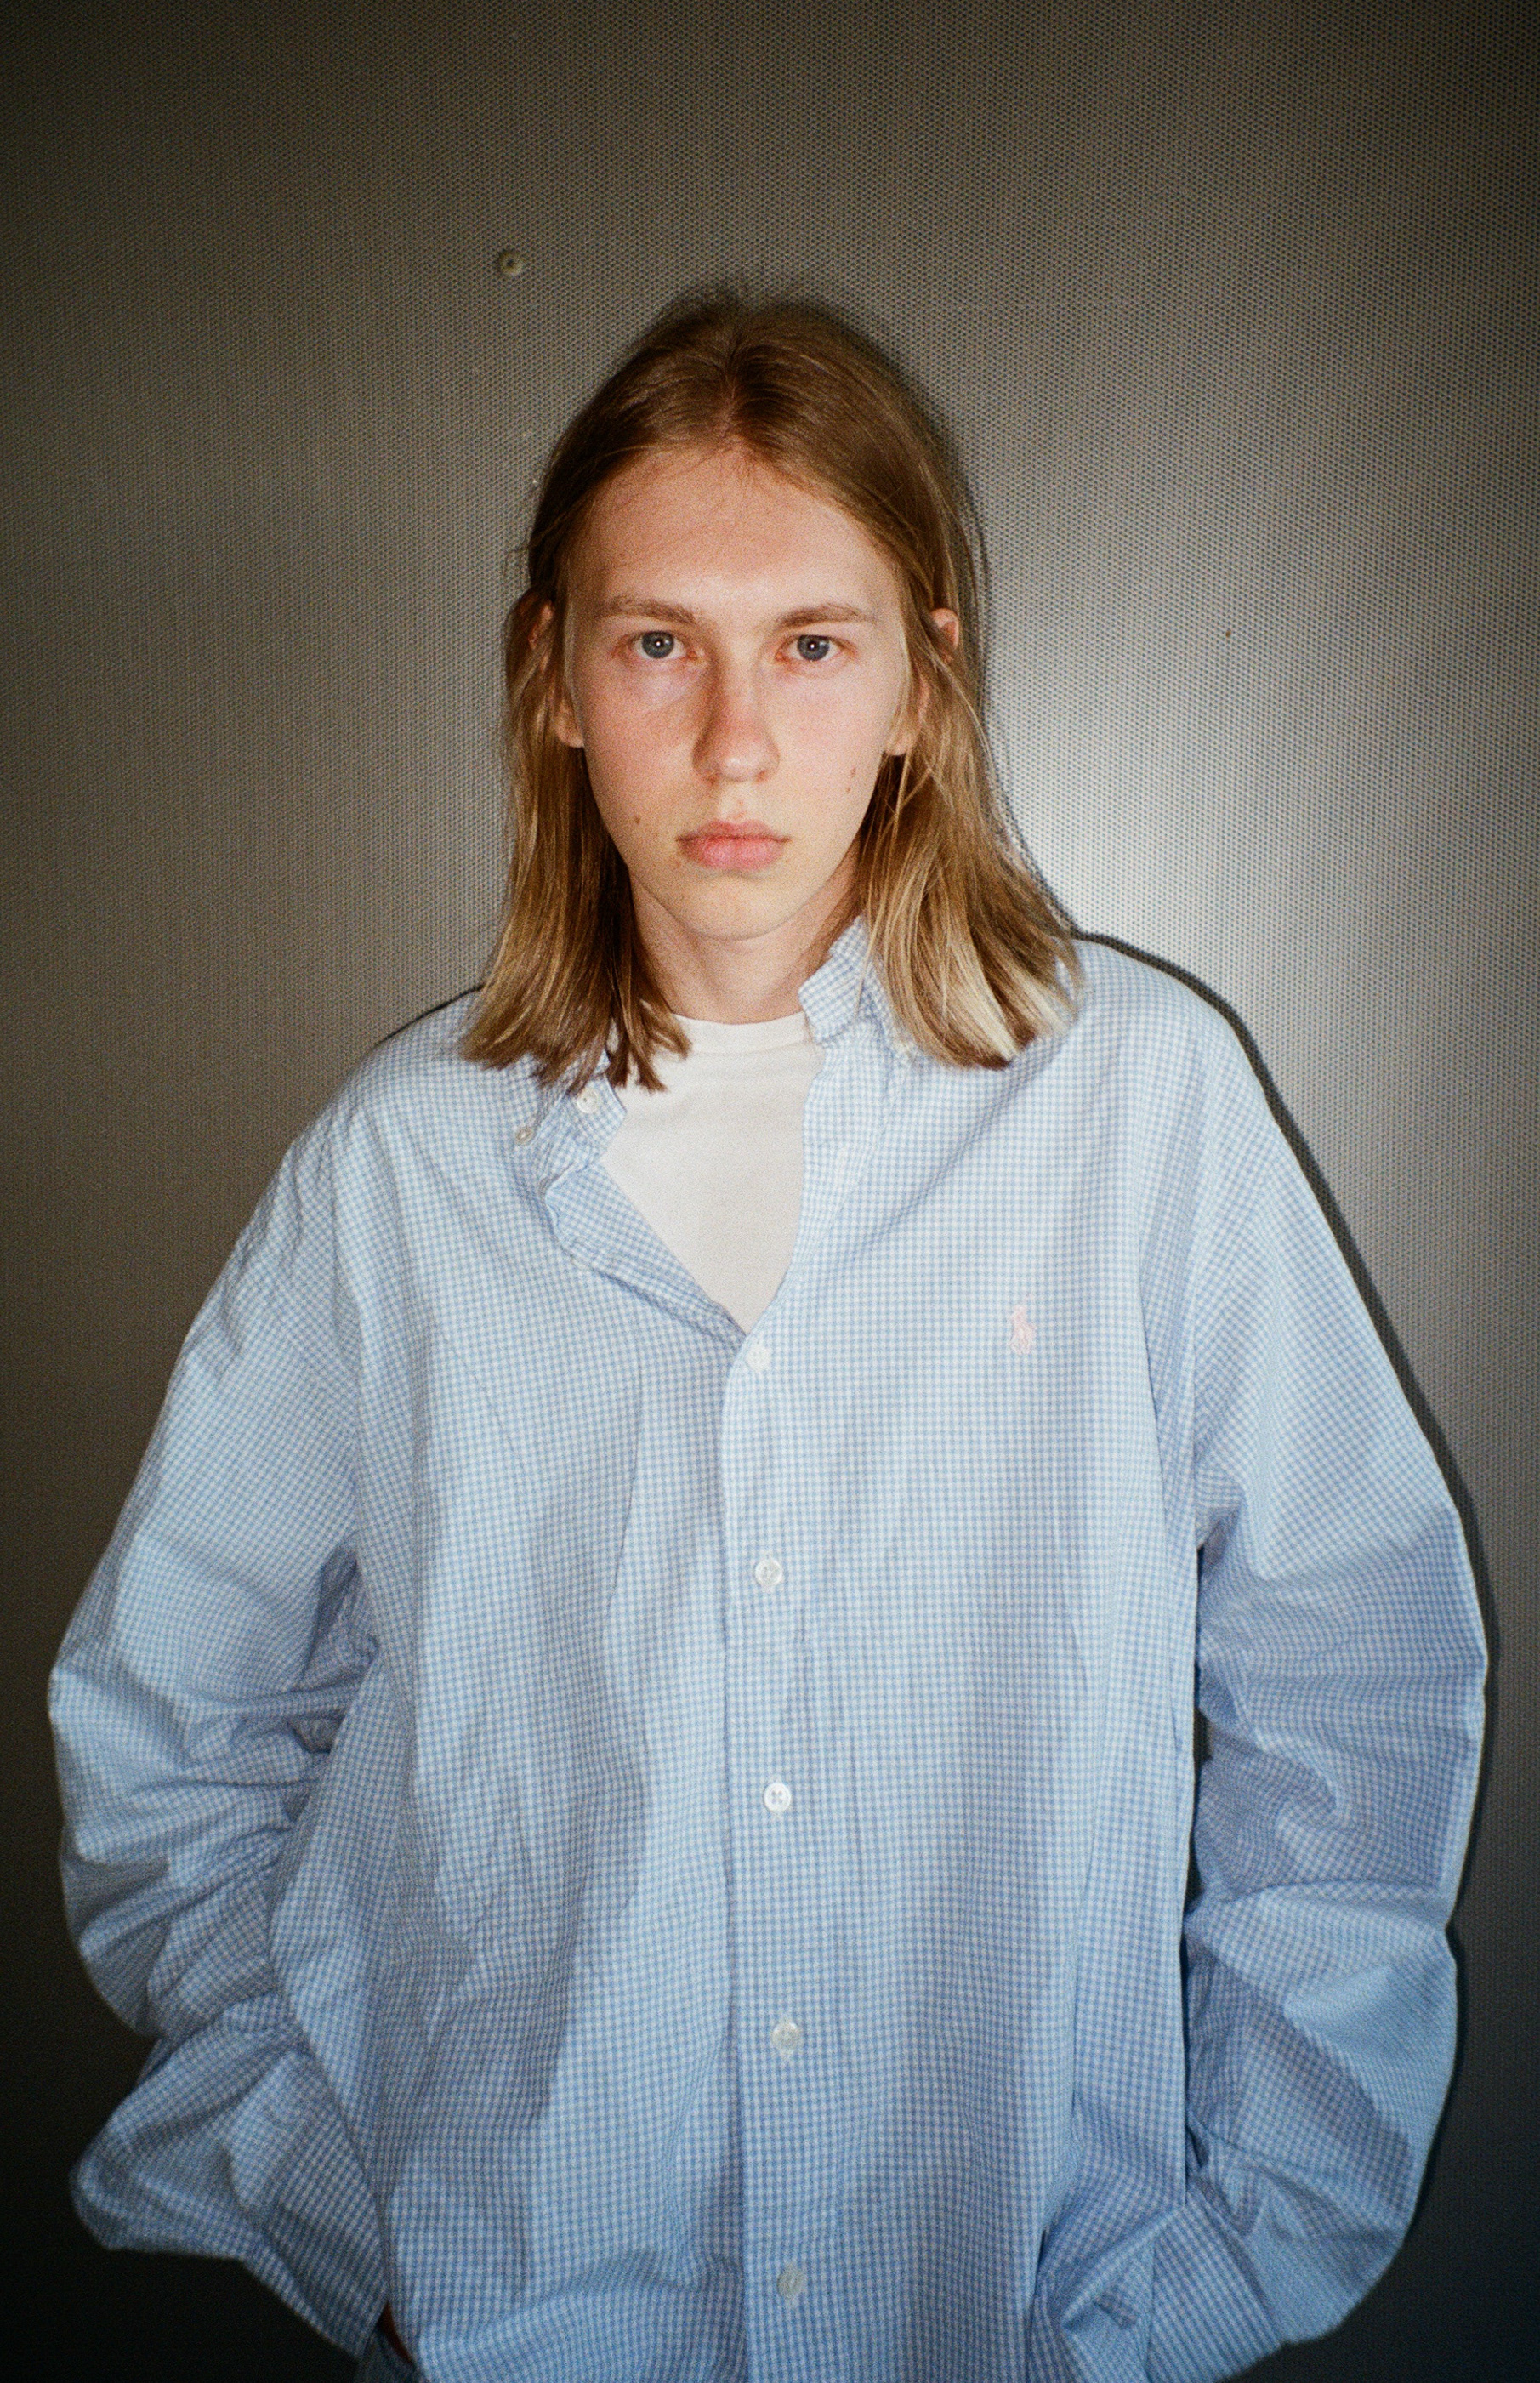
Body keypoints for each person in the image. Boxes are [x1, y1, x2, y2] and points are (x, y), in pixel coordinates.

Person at [50, 289, 1486, 2383]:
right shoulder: (400, 1180)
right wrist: (347, 2200)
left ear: (923, 685)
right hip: (520, 2324)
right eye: (661, 644)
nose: (736, 743)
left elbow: (1352, 1674)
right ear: (555, 678)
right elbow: (165, 1724)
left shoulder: (1141, 1113)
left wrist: (1219, 2257)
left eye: (813, 645)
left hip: (1005, 2321)